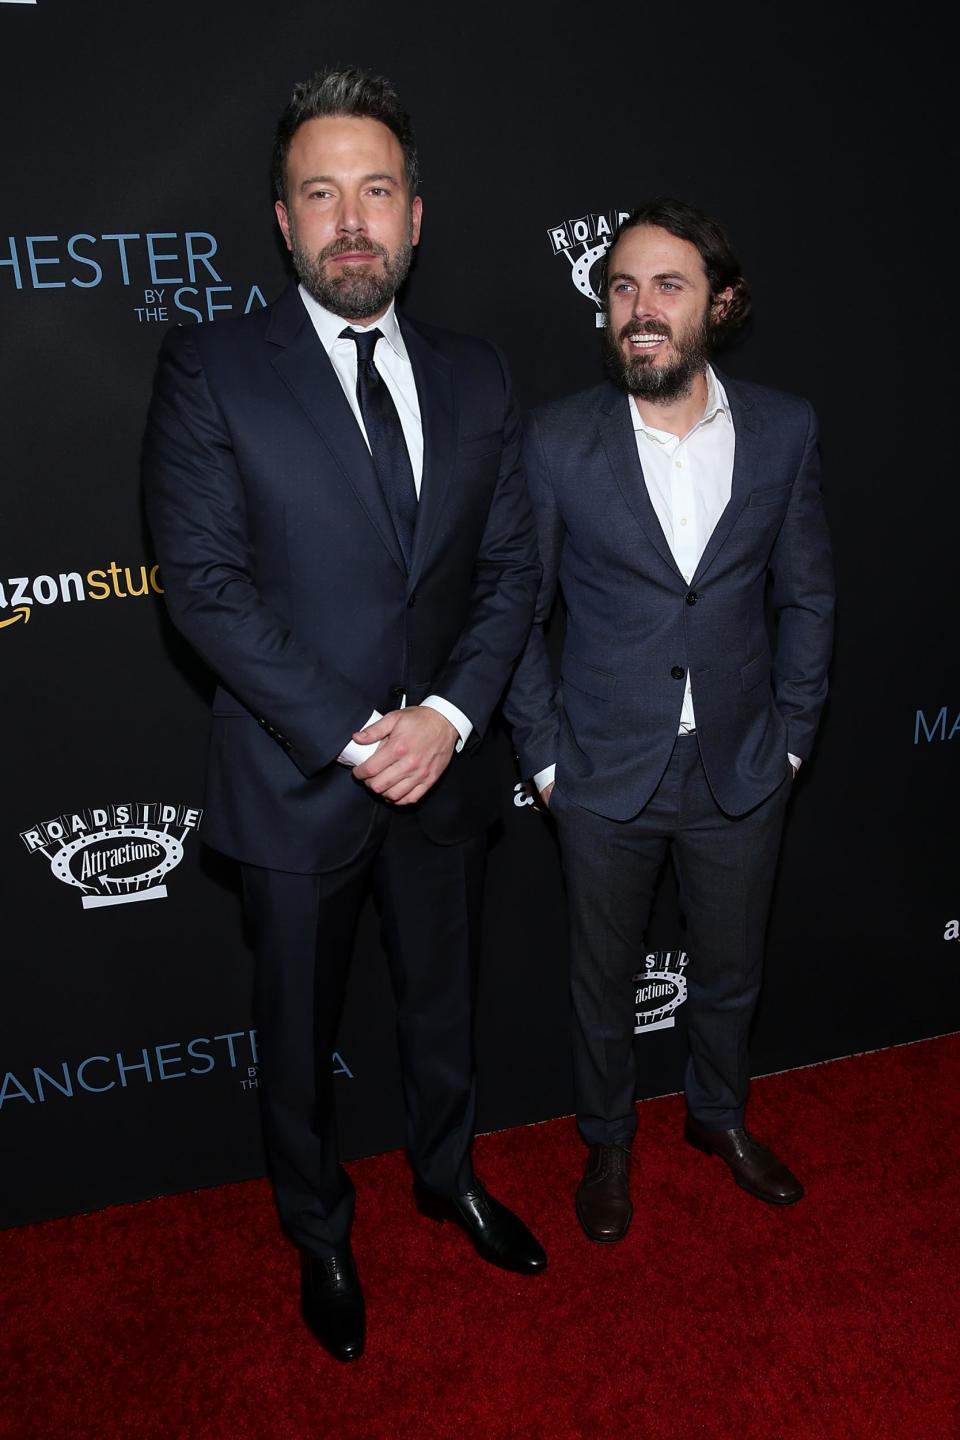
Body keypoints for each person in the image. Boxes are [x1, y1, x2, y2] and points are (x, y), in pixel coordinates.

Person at [142, 66, 545, 1361]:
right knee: (298, 1040)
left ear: (418, 215)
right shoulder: (210, 368)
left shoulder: (479, 374)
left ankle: (447, 1175)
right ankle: (319, 1232)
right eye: (323, 194)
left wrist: (450, 718)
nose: (352, 220)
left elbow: (510, 571)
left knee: (443, 1006)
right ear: (283, 218)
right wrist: (366, 734)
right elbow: (203, 589)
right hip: (298, 777)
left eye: (376, 190)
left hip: (451, 773)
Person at [505, 198, 834, 1242]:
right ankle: (606, 1142)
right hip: (602, 770)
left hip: (741, 764)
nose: (639, 309)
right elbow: (519, 612)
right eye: (622, 287)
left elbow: (810, 595)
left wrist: (790, 737)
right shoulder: (557, 442)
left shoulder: (785, 428)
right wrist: (547, 761)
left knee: (733, 971)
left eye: (668, 286)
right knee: (601, 980)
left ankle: (718, 1118)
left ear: (721, 303)